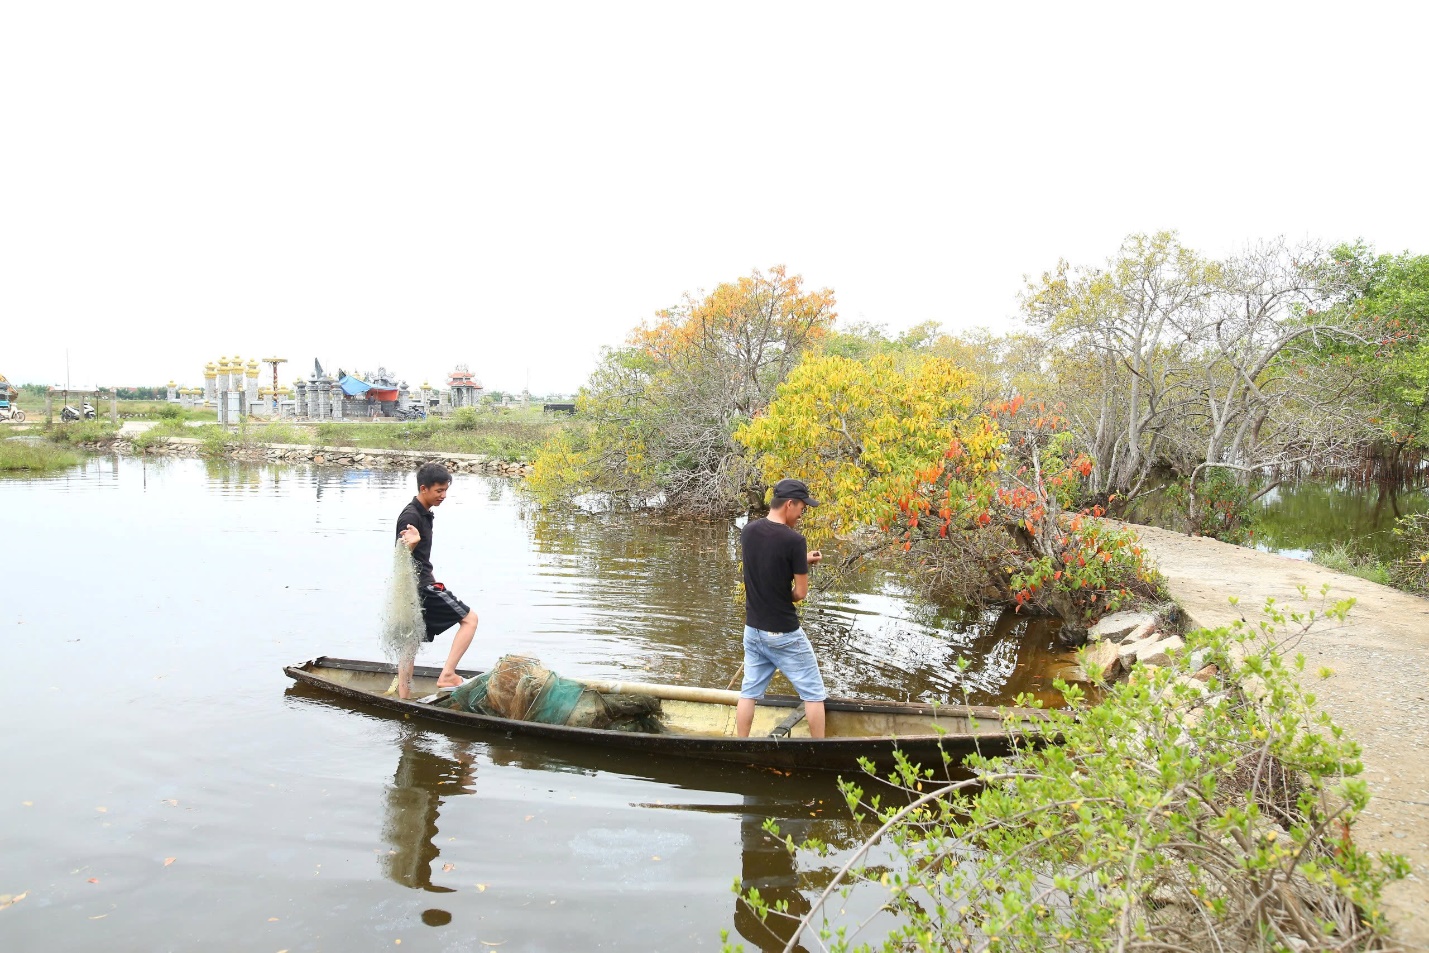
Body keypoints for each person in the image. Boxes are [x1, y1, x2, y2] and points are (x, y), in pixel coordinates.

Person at [737, 478, 828, 739]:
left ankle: (740, 743)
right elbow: (799, 593)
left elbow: (767, 566)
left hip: (753, 630)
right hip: (783, 634)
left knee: (749, 692)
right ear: (789, 504)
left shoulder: (748, 531)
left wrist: (802, 560)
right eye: (801, 507)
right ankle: (819, 749)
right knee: (813, 693)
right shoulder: (794, 540)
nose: (801, 514)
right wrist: (799, 559)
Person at [394, 462, 478, 698]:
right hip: (421, 586)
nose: (443, 496)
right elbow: (400, 553)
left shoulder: (423, 512)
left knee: (410, 643)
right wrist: (410, 544)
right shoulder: (411, 516)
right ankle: (448, 675)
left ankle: (404, 698)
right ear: (424, 489)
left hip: (416, 587)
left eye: (445, 491)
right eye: (439, 491)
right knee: (470, 619)